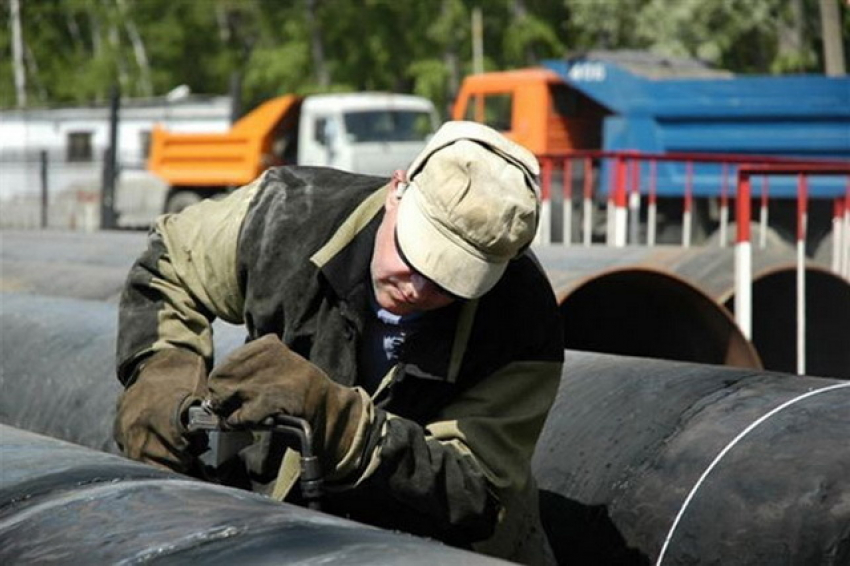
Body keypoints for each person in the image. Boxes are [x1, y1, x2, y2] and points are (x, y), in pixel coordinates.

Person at [114, 121, 564, 564]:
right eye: (414, 258)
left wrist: (339, 423)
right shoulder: (288, 214)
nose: (419, 290)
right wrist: (163, 371)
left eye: (450, 282)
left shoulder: (521, 317)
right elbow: (172, 260)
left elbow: (476, 493)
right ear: (397, 191)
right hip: (281, 526)